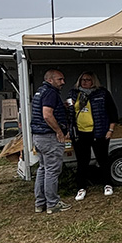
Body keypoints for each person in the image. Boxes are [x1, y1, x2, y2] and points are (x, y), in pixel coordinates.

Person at [68, 71, 118, 201]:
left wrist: (110, 130)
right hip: (80, 133)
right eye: (82, 79)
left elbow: (112, 112)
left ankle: (107, 184)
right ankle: (81, 188)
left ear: (93, 81)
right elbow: (69, 113)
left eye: (88, 79)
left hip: (99, 132)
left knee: (102, 159)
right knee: (82, 161)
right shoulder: (74, 94)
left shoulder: (102, 93)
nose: (84, 82)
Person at [30, 69, 71, 213]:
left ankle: (40, 203)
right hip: (49, 137)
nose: (63, 82)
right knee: (52, 171)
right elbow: (47, 115)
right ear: (50, 80)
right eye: (60, 79)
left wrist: (61, 107)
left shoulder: (40, 91)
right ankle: (53, 203)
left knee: (43, 168)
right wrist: (59, 131)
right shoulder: (50, 93)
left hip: (39, 136)